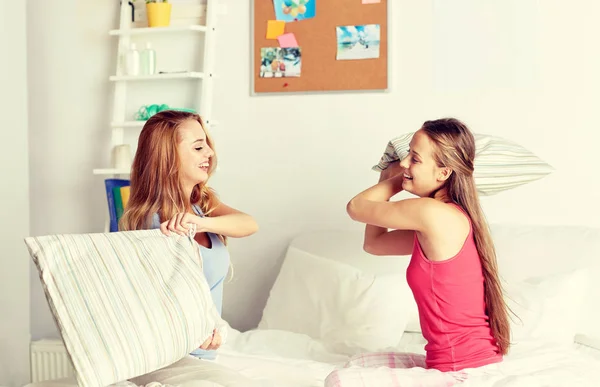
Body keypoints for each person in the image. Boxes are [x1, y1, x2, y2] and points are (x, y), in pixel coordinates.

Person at [327, 118, 509, 385]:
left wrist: (397, 181)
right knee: (356, 363)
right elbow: (374, 244)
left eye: (415, 158)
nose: (404, 164)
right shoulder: (442, 218)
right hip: (459, 362)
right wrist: (389, 177)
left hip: (463, 369)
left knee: (340, 380)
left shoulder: (431, 213)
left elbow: (356, 206)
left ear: (443, 173)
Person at [119, 110, 259, 360]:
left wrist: (201, 223)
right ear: (168, 157)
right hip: (172, 358)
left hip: (202, 356)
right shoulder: (152, 223)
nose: (210, 153)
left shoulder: (202, 204)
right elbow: (154, 303)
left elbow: (248, 224)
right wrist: (193, 330)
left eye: (207, 145)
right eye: (198, 147)